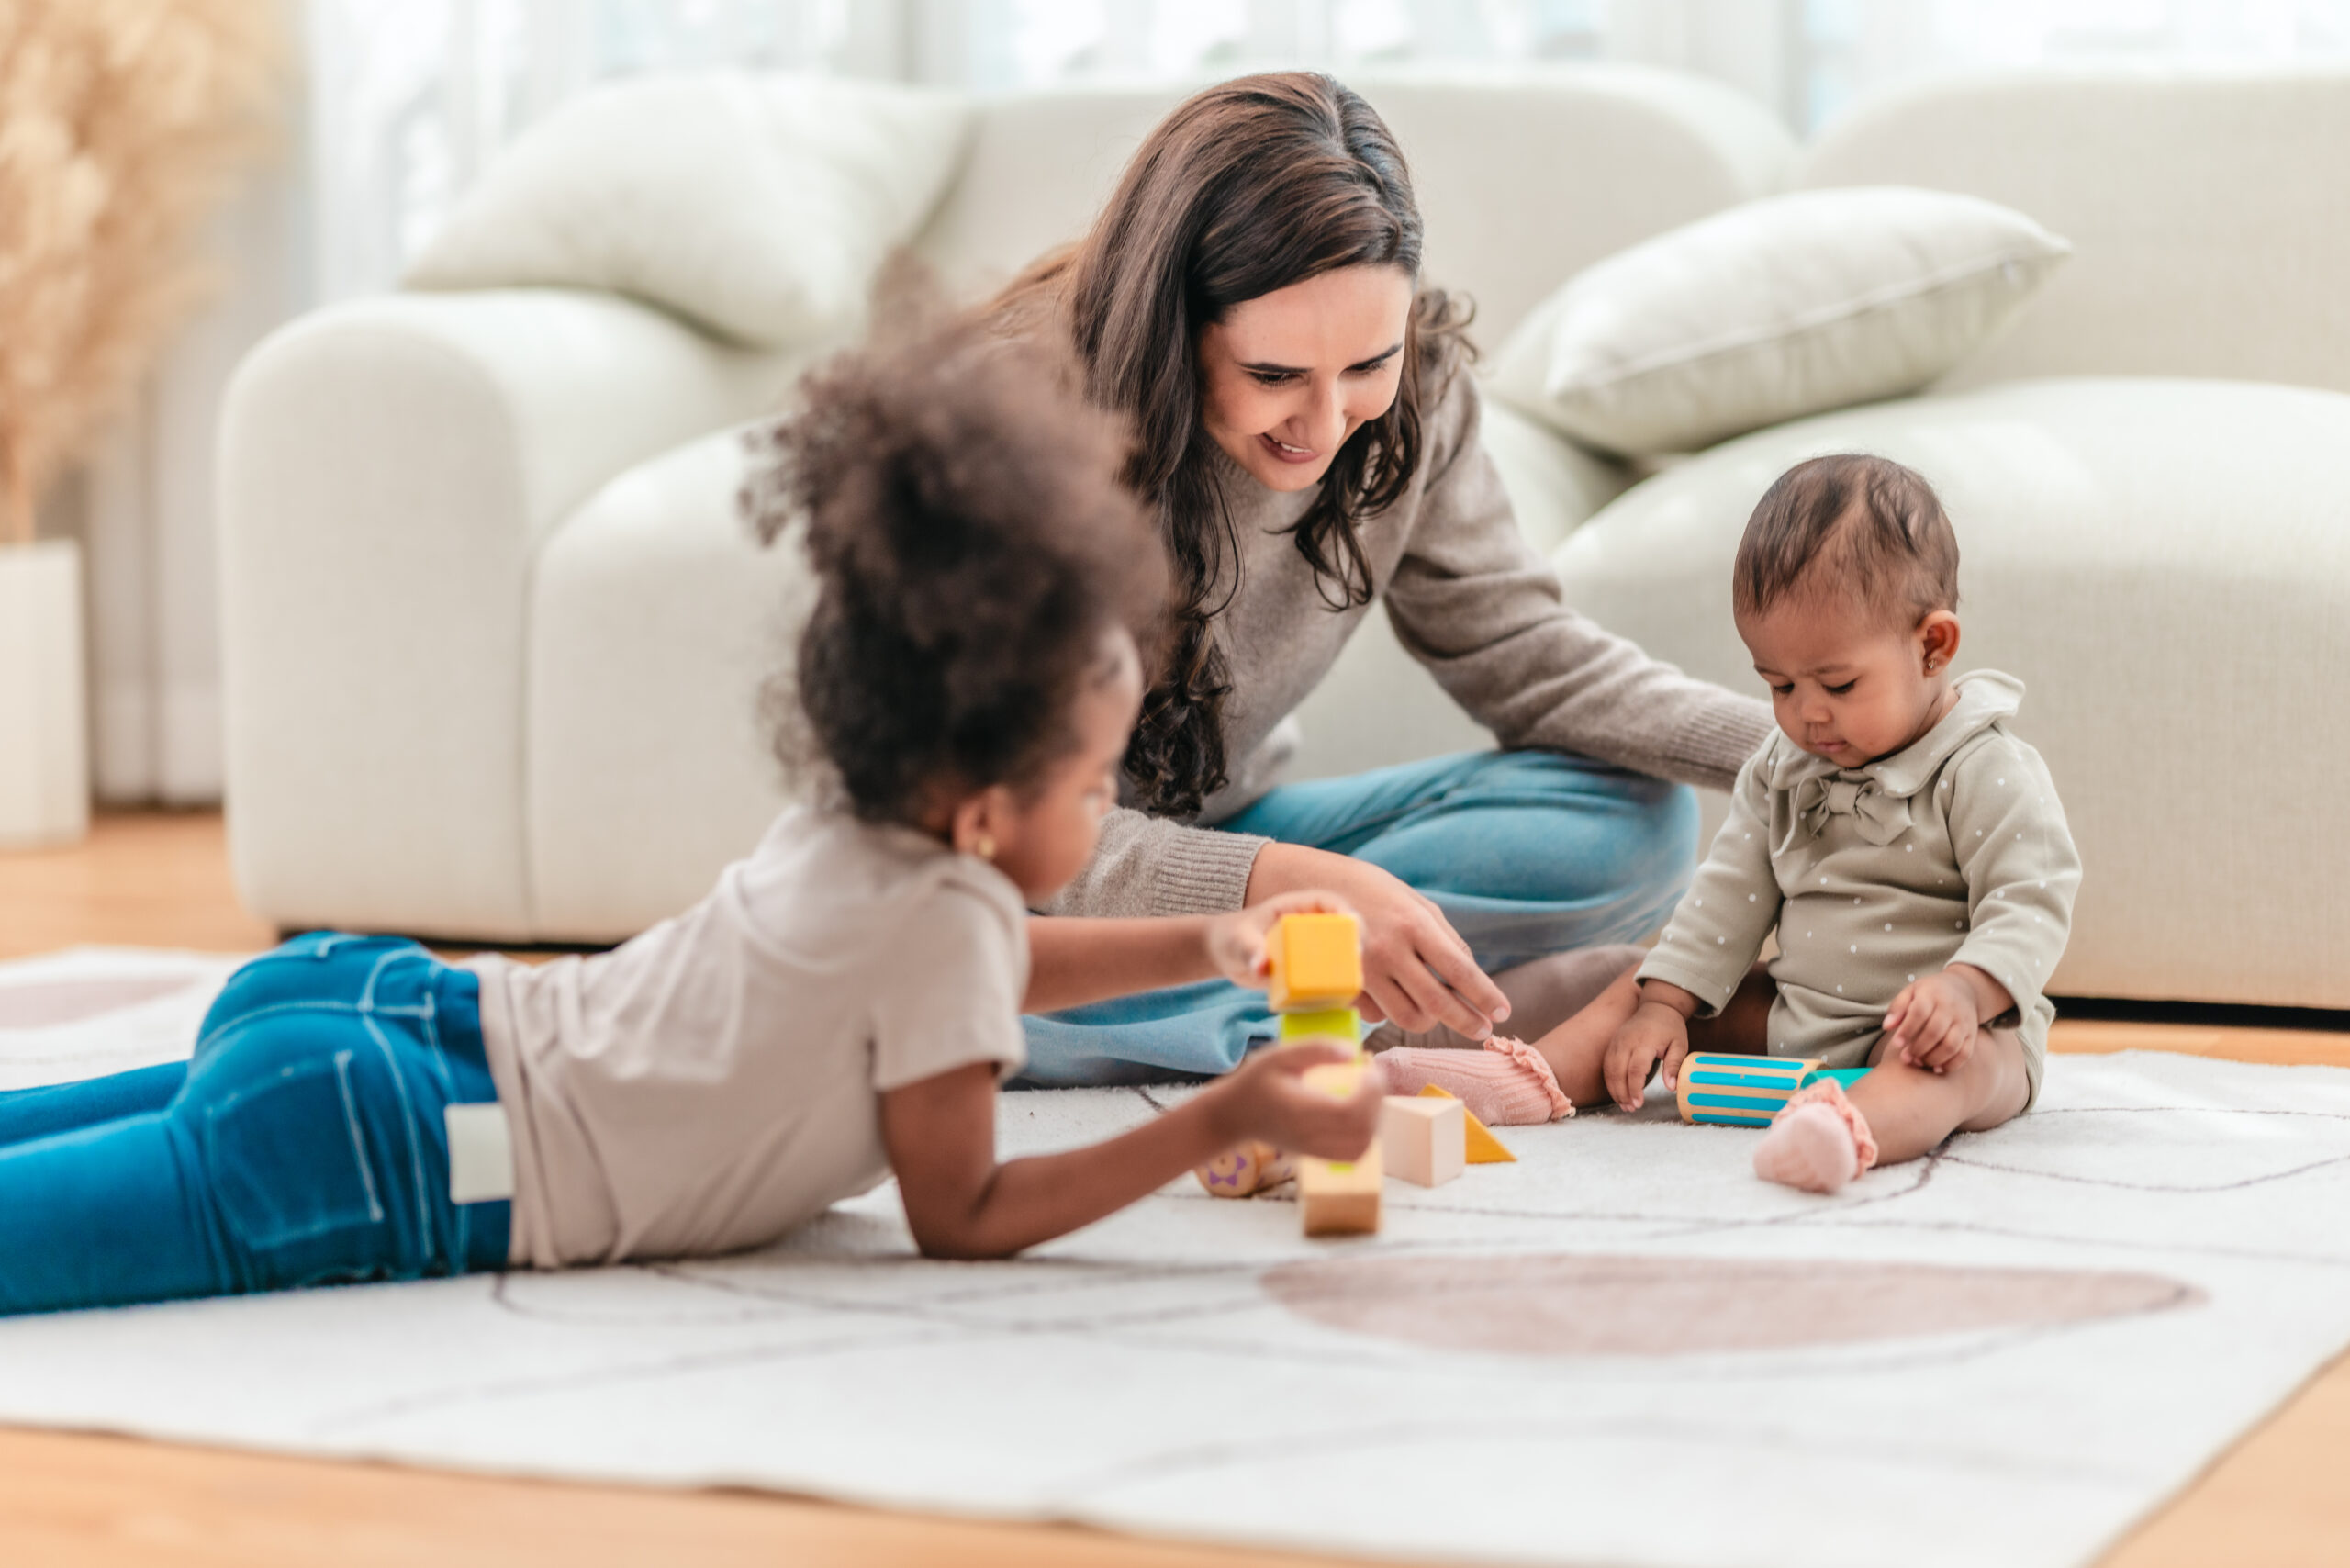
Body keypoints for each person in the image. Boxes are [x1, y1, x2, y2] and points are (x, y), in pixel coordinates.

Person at [0, 330, 1382, 1316]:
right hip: (409, 1150)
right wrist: (1221, 1117)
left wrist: (1218, 938)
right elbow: (962, 1217)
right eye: (1092, 788)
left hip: (374, 1009)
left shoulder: (855, 830)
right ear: (977, 813)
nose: (1106, 811)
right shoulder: (939, 934)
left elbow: (982, 971)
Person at [991, 73, 1772, 1086]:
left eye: (1368, 363)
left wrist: (1803, 751)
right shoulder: (1015, 423)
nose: (1323, 429)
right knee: (941, 953)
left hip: (1228, 837)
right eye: (1273, 377)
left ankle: (1231, 1020)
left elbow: (1520, 652)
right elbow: (1016, 830)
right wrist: (1302, 889)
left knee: (1637, 824)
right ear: (1172, 325)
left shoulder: (1421, 394)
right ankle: (1312, 1018)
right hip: (1030, 876)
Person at [1393, 454, 2081, 1190]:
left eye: (1838, 684)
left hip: (1944, 1030)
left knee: (1959, 1067)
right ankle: (1526, 1081)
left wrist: (1968, 992)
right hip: (1798, 1014)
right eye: (1778, 684)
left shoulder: (1985, 766)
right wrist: (1665, 1005)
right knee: (1642, 983)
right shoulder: (1783, 765)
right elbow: (1728, 895)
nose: (1806, 712)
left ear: (1933, 646)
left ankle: (1845, 1130)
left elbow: (2030, 901)